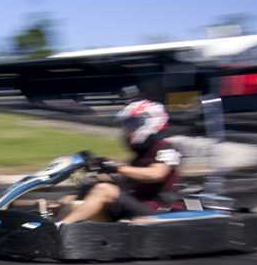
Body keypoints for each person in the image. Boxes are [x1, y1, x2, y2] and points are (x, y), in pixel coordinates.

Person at [59, 86, 182, 224]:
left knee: (104, 190)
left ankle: (60, 229)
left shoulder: (166, 148)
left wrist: (117, 167)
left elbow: (156, 174)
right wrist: (101, 171)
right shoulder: (140, 154)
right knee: (73, 197)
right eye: (127, 125)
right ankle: (53, 226)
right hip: (136, 205)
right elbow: (128, 181)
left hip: (158, 211)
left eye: (132, 124)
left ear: (150, 121)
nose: (128, 130)